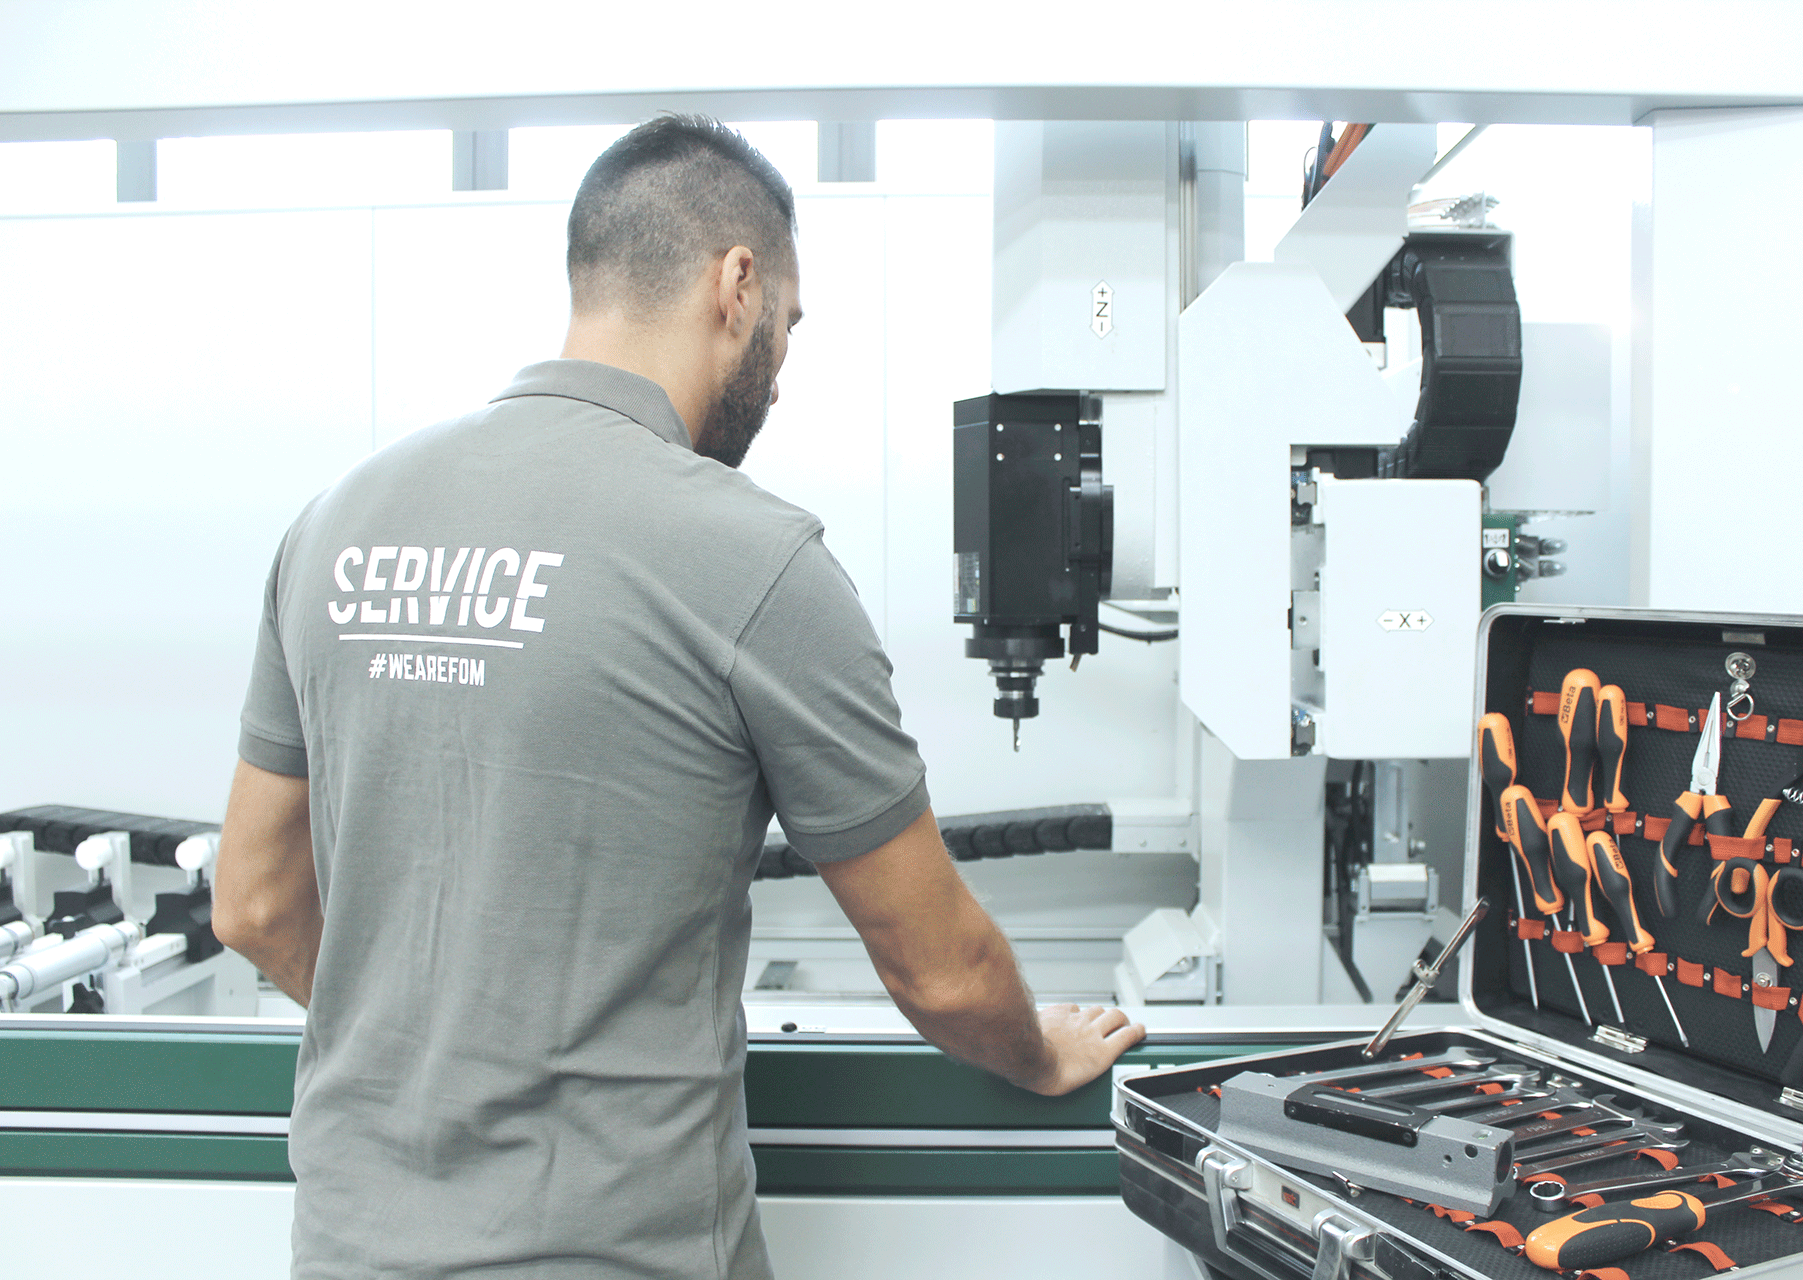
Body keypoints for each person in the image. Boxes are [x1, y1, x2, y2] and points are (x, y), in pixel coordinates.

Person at [211, 113, 1145, 1279]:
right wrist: (1037, 1053)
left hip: (348, 1246)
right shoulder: (753, 557)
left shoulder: (334, 524)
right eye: (790, 323)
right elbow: (940, 966)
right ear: (737, 284)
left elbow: (252, 902)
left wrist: (436, 1047)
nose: (782, 371)